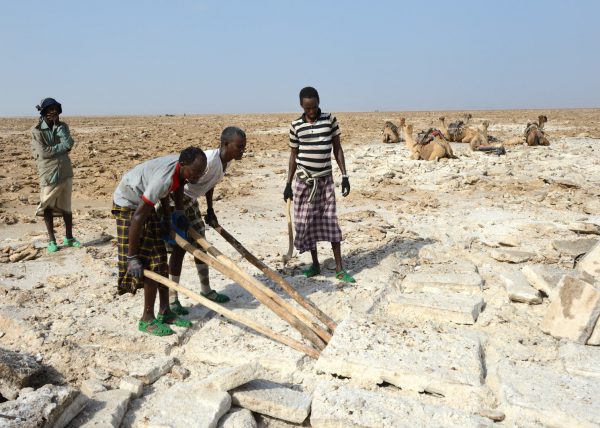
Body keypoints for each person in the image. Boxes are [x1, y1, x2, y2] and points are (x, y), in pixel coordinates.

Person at [112, 147, 207, 336]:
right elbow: (138, 217)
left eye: (201, 173)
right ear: (183, 165)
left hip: (144, 203)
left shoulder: (181, 170)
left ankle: (165, 311)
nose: (197, 177)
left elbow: (177, 186)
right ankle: (147, 319)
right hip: (128, 204)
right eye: (195, 172)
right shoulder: (163, 179)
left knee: (161, 259)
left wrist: (174, 212)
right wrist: (132, 256)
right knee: (149, 261)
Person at [168, 127, 247, 315]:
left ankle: (206, 290)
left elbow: (210, 184)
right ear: (226, 144)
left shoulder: (225, 162)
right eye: (239, 147)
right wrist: (178, 212)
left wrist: (210, 209)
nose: (242, 151)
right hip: (177, 200)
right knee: (180, 249)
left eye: (244, 147)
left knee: (201, 243)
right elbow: (182, 181)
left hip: (191, 201)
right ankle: (172, 299)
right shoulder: (210, 160)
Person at [284, 87, 355, 284]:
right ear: (301, 106)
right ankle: (315, 264)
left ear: (318, 103)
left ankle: (340, 268)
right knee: (307, 223)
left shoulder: (329, 120)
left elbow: (337, 148)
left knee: (331, 221)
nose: (312, 111)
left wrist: (345, 175)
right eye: (308, 108)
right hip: (303, 181)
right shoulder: (295, 125)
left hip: (324, 181)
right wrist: (288, 183)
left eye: (314, 107)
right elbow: (293, 156)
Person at [31, 98, 80, 253]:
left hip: (65, 170)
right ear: (44, 112)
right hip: (48, 172)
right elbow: (44, 153)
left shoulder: (63, 126)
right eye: (49, 109)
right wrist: (62, 147)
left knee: (66, 206)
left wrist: (60, 133)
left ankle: (69, 237)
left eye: (55, 109)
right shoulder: (37, 130)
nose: (53, 112)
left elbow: (70, 144)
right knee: (47, 205)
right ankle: (52, 240)